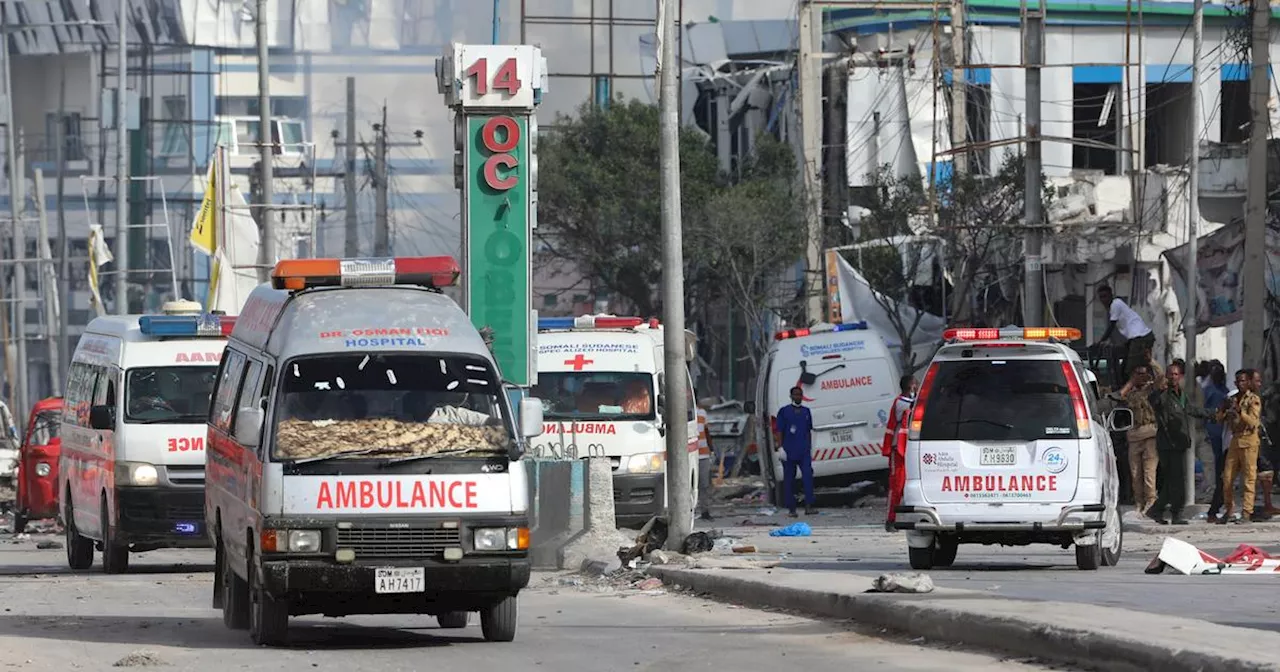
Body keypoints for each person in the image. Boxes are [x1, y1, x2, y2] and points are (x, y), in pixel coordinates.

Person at [1147, 360, 1213, 525]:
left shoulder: (1180, 394)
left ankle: (1162, 511)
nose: (1173, 377)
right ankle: (1164, 511)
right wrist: (1159, 390)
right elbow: (1154, 401)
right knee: (1174, 482)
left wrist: (1213, 414)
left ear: (1181, 376)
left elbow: (1191, 410)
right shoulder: (1163, 395)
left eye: (1176, 374)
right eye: (1170, 374)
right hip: (1168, 444)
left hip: (1180, 442)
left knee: (1175, 481)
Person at [1219, 369, 1263, 524]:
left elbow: (1253, 422)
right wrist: (1223, 410)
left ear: (1249, 382)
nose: (1240, 383)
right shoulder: (1232, 398)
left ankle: (1246, 512)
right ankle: (1229, 510)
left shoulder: (1253, 399)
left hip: (1249, 441)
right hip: (1235, 440)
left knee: (1248, 479)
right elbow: (1219, 419)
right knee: (1227, 478)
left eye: (1243, 381)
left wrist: (1240, 412)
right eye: (1238, 381)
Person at [1092, 284, 1155, 381]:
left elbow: (1111, 326)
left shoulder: (1115, 304)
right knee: (1131, 364)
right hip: (1138, 337)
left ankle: (1135, 389)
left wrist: (1101, 341)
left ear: (1111, 295)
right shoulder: (1114, 306)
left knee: (1130, 369)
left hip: (1140, 337)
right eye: (1101, 297)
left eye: (1105, 296)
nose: (1103, 300)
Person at [881, 374, 917, 532]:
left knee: (906, 485)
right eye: (914, 384)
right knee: (896, 485)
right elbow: (915, 405)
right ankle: (890, 520)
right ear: (910, 386)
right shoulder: (902, 403)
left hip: (908, 447)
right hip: (899, 448)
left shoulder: (908, 400)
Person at [774, 386, 816, 517]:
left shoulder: (806, 412)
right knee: (789, 480)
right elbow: (779, 431)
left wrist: (810, 447)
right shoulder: (784, 412)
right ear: (791, 396)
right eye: (795, 395)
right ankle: (792, 509)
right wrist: (780, 448)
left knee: (808, 477)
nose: (798, 397)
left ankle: (809, 506)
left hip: (803, 450)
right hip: (789, 450)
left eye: (800, 395)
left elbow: (808, 430)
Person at [1204, 363, 1231, 523]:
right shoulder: (1210, 390)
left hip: (1223, 437)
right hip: (1213, 434)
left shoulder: (1226, 392)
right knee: (1219, 470)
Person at [695, 402, 714, 521]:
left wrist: (711, 449)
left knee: (704, 485)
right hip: (687, 455)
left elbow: (706, 432)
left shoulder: (702, 413)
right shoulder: (680, 414)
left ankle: (705, 511)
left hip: (703, 454)